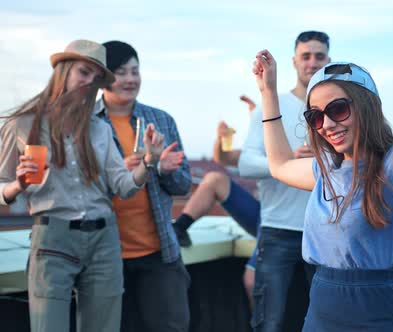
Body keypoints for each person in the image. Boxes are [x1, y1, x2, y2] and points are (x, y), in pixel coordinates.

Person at [251, 0, 393, 330]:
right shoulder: (325, 171)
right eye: (315, 116)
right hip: (322, 306)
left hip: (376, 309)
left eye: (338, 109)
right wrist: (268, 92)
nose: (327, 124)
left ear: (365, 107)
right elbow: (279, 164)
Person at [0, 39, 164, 332]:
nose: (89, 82)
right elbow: (2, 188)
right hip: (53, 239)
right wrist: (18, 184)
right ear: (63, 71)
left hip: (104, 241)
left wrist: (149, 161)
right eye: (83, 72)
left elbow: (124, 187)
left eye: (96, 78)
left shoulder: (100, 129)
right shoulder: (21, 126)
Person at [95, 40, 192, 332]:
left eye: (135, 71)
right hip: (104, 256)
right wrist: (119, 172)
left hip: (158, 252)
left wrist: (161, 168)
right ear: (103, 76)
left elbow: (183, 185)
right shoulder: (86, 122)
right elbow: (79, 189)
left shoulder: (160, 119)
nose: (130, 79)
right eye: (121, 72)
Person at [240, 30, 330, 332]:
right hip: (279, 228)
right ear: (294, 61)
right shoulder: (273, 104)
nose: (313, 62)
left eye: (319, 56)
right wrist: (286, 159)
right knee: (270, 321)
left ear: (328, 59)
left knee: (326, 322)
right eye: (306, 56)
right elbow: (245, 164)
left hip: (326, 230)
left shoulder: (338, 108)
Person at [172, 95, 260, 307]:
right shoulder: (265, 147)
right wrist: (220, 140)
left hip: (288, 222)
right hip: (264, 218)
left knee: (253, 280)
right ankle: (179, 228)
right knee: (214, 179)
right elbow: (223, 158)